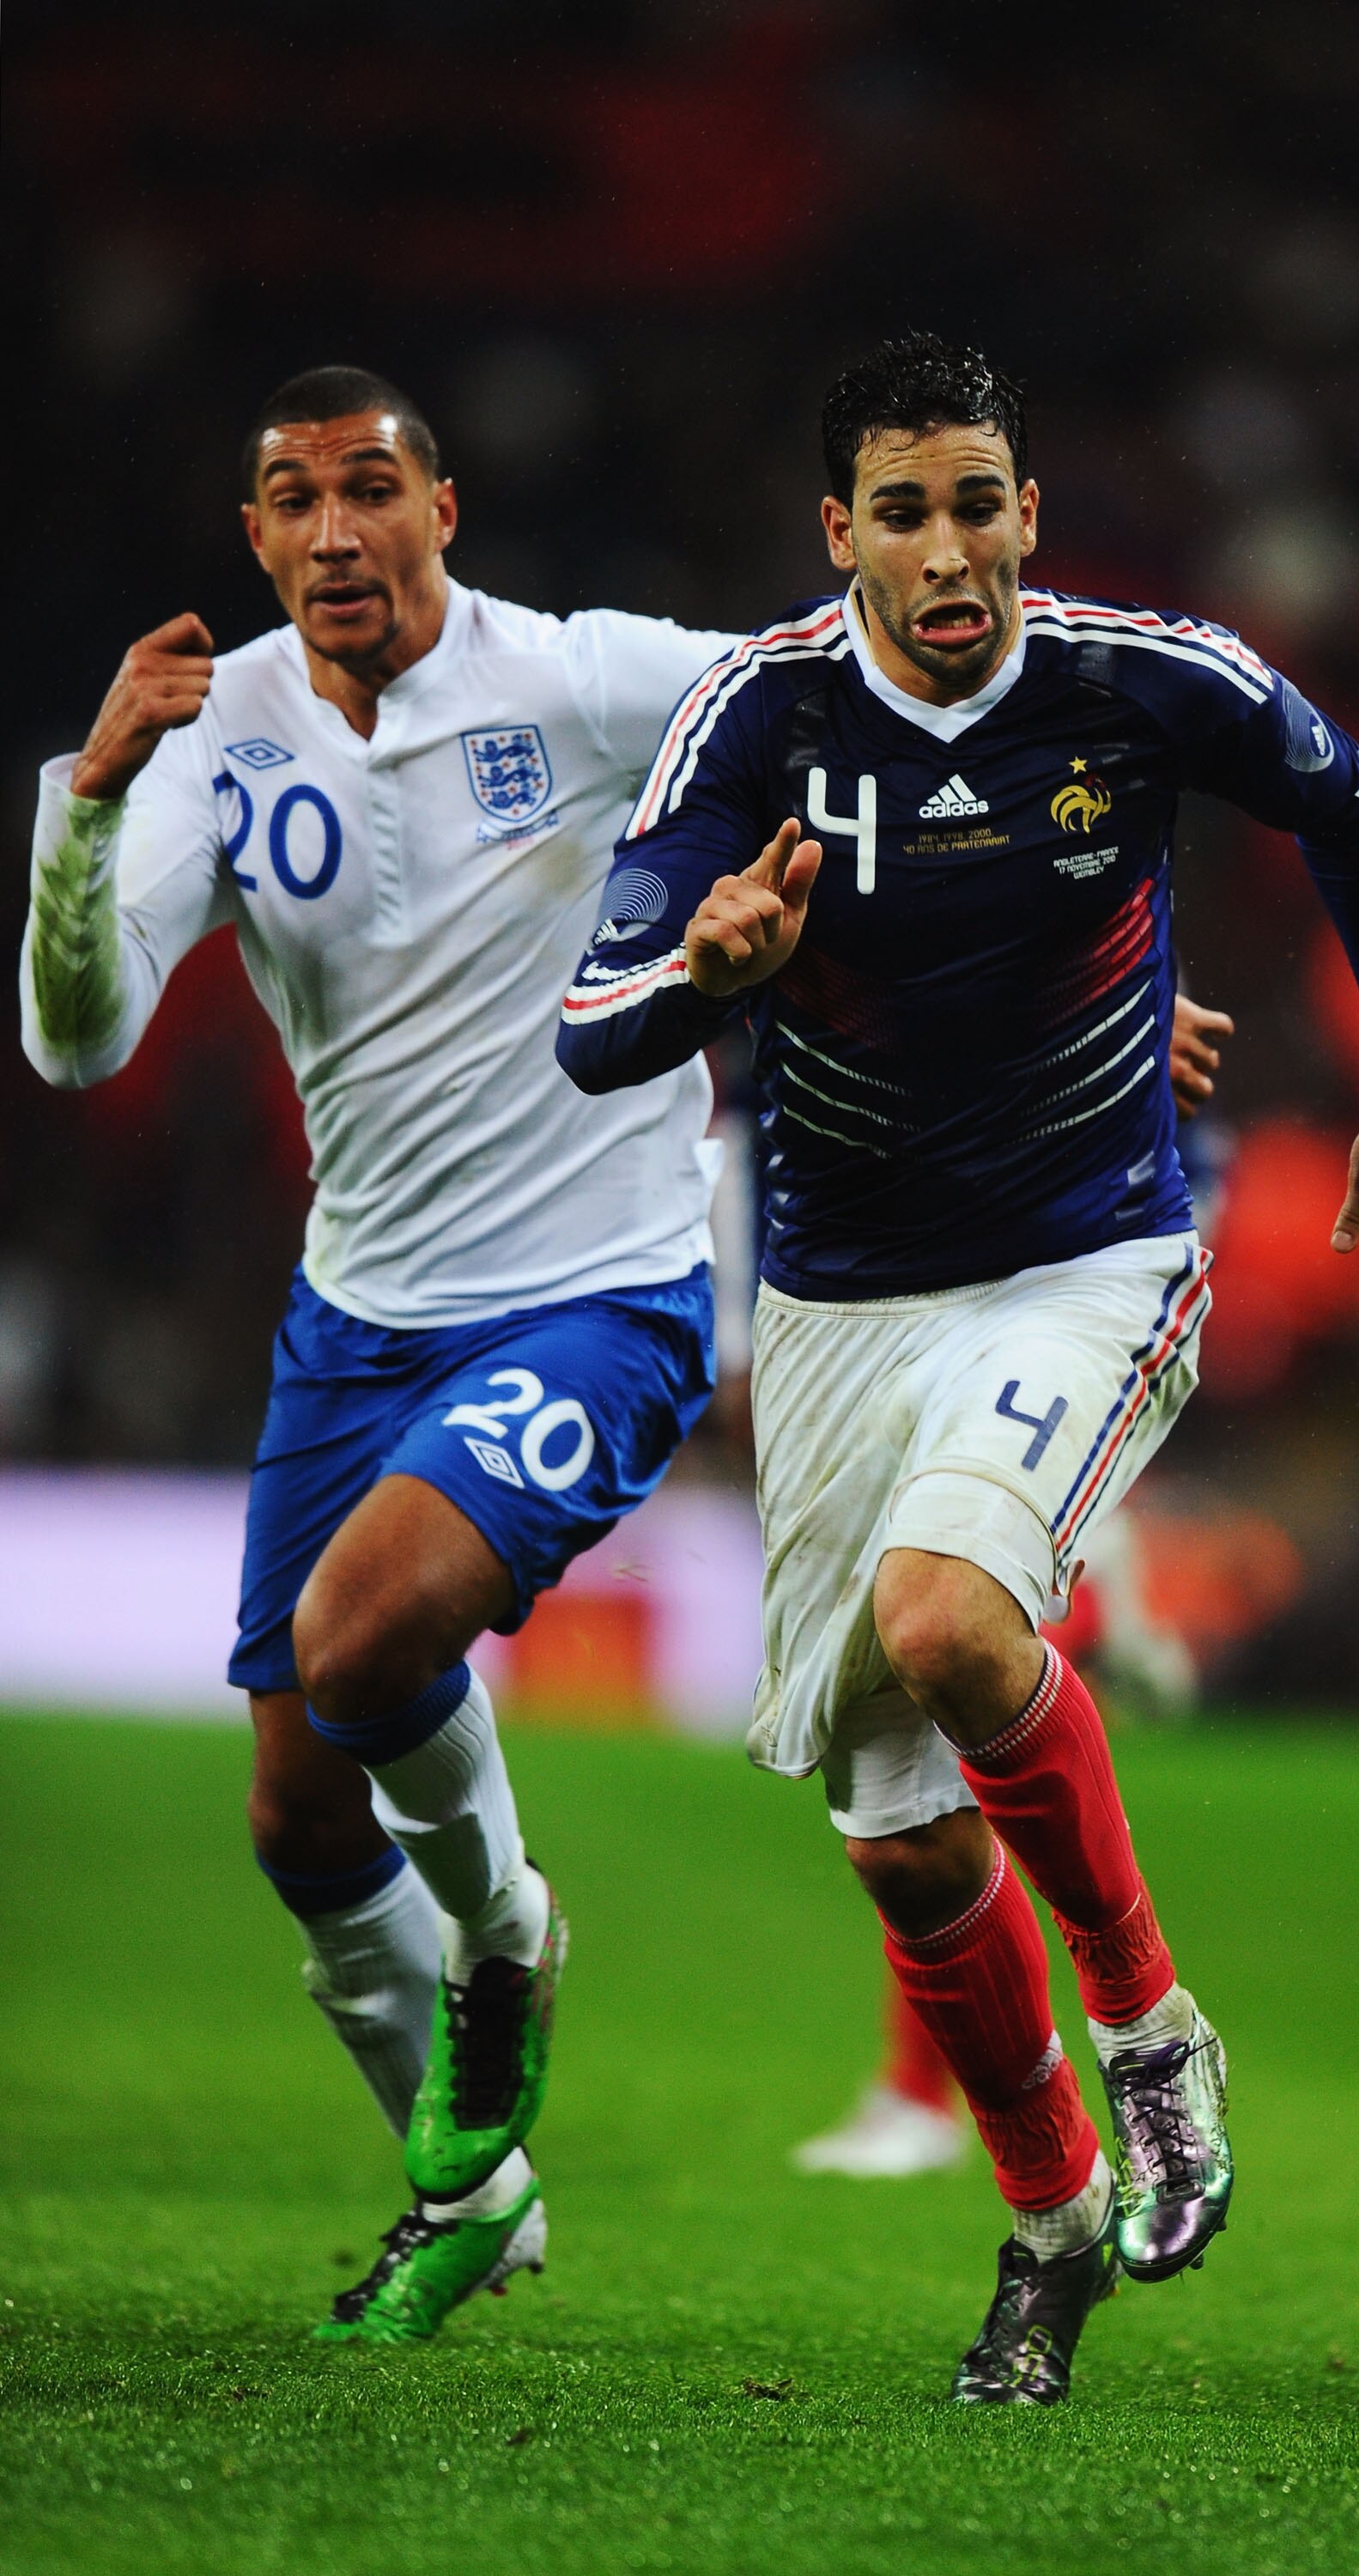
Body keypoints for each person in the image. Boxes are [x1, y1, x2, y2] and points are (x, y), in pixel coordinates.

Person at [556, 333, 1359, 2403]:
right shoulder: (764, 714)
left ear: (1026, 512)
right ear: (842, 534)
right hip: (833, 1307)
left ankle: (1156, 2033)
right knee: (894, 1828)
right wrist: (705, 976)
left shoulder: (1134, 677)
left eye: (979, 498)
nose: (950, 544)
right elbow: (597, 1008)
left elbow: (1343, 791)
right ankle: (1051, 2225)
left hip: (1090, 1260)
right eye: (904, 508)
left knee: (957, 1621)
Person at [20, 366, 737, 2343]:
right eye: (290, 499)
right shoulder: (208, 735)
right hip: (357, 1319)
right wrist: (83, 818)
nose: (333, 529)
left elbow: (799, 707)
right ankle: (475, 2192)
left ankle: (507, 1942)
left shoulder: (584, 680)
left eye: (368, 487)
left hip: (598, 1289)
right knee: (297, 1818)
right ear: (253, 539)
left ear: (444, 506)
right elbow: (76, 1037)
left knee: (363, 1642)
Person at [791, 997, 1226, 2184]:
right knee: (904, 1801)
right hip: (869, 1303)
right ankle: (1024, 2163)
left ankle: (1119, 2030)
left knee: (951, 1669)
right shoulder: (891, 892)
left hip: (1043, 1313)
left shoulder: (1093, 929)